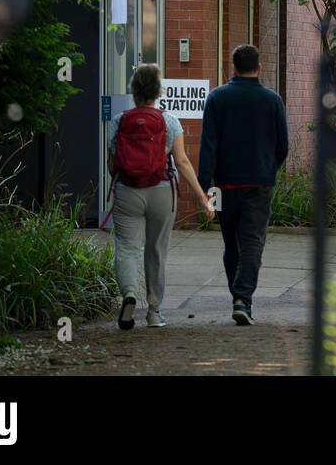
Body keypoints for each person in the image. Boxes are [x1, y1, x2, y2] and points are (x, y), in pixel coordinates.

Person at [107, 63, 215, 330]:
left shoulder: (119, 121)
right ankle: (154, 312)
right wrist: (202, 197)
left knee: (127, 248)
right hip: (162, 192)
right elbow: (182, 162)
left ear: (133, 90)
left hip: (127, 192)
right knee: (156, 250)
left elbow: (112, 165)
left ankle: (129, 294)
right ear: (158, 91)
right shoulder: (170, 121)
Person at [198, 43, 289, 325]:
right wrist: (268, 169)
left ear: (232, 67)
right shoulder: (272, 100)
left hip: (224, 185)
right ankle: (242, 299)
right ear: (258, 68)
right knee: (252, 242)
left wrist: (204, 187)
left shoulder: (216, 98)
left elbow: (208, 146)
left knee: (230, 243)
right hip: (259, 183)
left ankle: (238, 297)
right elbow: (282, 145)